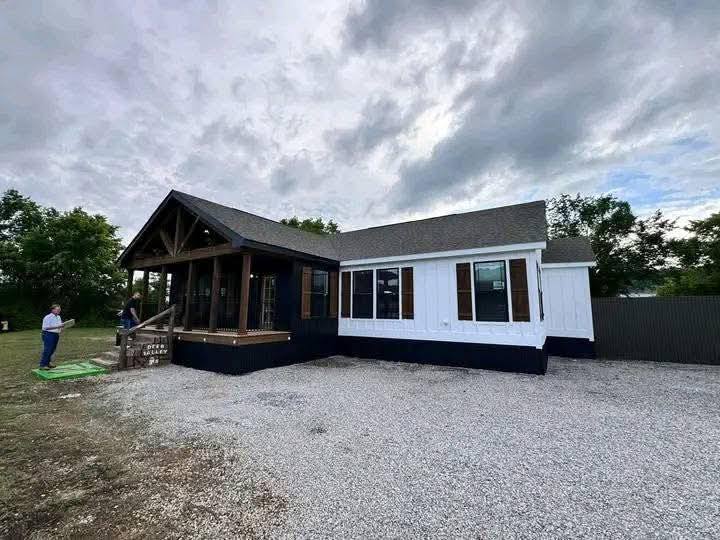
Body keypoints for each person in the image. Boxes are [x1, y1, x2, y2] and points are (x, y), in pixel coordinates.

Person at [39, 304, 65, 370]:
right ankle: (42, 365)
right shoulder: (48, 317)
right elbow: (45, 327)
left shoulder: (58, 317)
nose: (59, 310)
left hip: (56, 334)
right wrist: (58, 327)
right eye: (57, 309)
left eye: (60, 309)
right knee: (48, 349)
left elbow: (59, 326)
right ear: (53, 310)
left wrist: (61, 328)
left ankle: (48, 363)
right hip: (48, 334)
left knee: (52, 349)